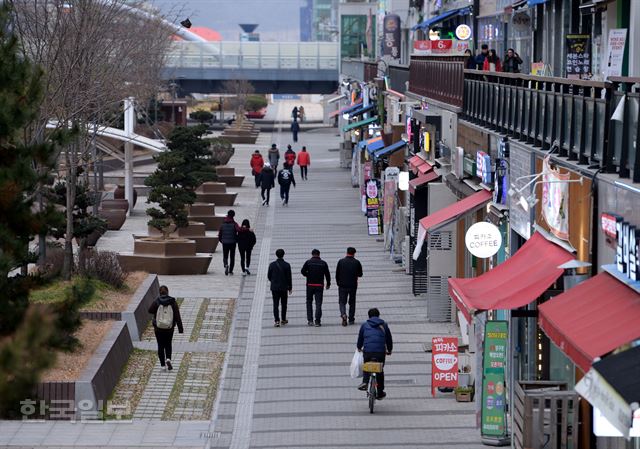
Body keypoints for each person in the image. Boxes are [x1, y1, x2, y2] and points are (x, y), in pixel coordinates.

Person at [357, 308, 393, 399]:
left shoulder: (364, 325)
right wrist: (389, 350)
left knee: (366, 365)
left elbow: (360, 338)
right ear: (378, 316)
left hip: (368, 351)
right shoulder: (384, 325)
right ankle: (380, 392)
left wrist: (359, 347)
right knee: (380, 371)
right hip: (380, 353)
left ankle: (365, 382)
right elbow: (389, 339)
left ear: (369, 316)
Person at [148, 285, 184, 371]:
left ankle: (162, 366)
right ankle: (168, 359)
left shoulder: (157, 301)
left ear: (159, 293)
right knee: (168, 344)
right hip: (169, 328)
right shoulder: (172, 302)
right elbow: (177, 315)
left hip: (158, 328)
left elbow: (150, 310)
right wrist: (180, 328)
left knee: (160, 345)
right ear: (167, 292)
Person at [301, 249, 331, 327]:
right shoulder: (323, 263)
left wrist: (308, 275)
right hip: (319, 286)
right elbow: (327, 274)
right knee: (318, 303)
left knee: (309, 302)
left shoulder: (308, 262)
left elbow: (302, 271)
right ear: (319, 254)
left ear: (312, 254)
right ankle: (317, 321)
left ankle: (310, 320)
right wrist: (328, 283)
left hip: (310, 285)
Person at [335, 247, 363, 326]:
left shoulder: (341, 261)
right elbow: (360, 274)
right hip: (353, 285)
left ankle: (343, 314)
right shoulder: (357, 262)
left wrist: (338, 283)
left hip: (342, 285)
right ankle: (351, 319)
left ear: (347, 252)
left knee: (342, 302)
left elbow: (337, 274)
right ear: (354, 253)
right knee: (352, 302)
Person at [267, 248, 292, 327]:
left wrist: (274, 282)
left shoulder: (272, 264)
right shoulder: (287, 265)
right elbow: (289, 277)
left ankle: (277, 320)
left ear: (276, 255)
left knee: (275, 304)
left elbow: (269, 276)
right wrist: (290, 287)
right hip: (284, 288)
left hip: (275, 288)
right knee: (284, 304)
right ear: (283, 255)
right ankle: (283, 319)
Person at [218, 209, 241, 275]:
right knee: (232, 256)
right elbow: (239, 230)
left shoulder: (223, 224)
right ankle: (230, 270)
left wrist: (221, 240)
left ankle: (226, 265)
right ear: (233, 215)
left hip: (225, 242)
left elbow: (220, 234)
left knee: (225, 255)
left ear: (228, 215)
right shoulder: (234, 224)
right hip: (232, 242)